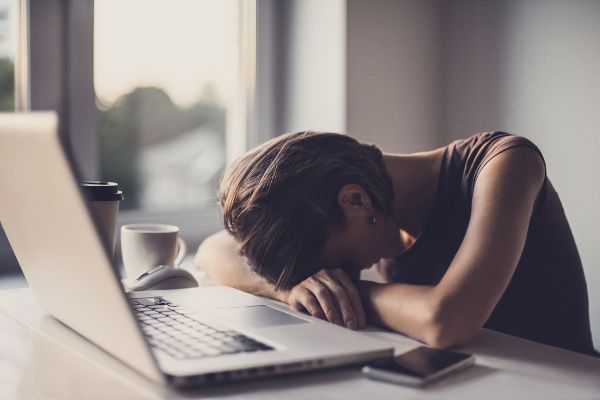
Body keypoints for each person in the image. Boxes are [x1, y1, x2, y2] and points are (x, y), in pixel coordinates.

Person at [195, 131, 597, 356]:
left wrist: (351, 294)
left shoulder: (505, 165)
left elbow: (446, 321)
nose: (341, 276)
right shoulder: (325, 197)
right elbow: (212, 250)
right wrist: (290, 288)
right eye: (337, 275)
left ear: (355, 201)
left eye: (340, 265)